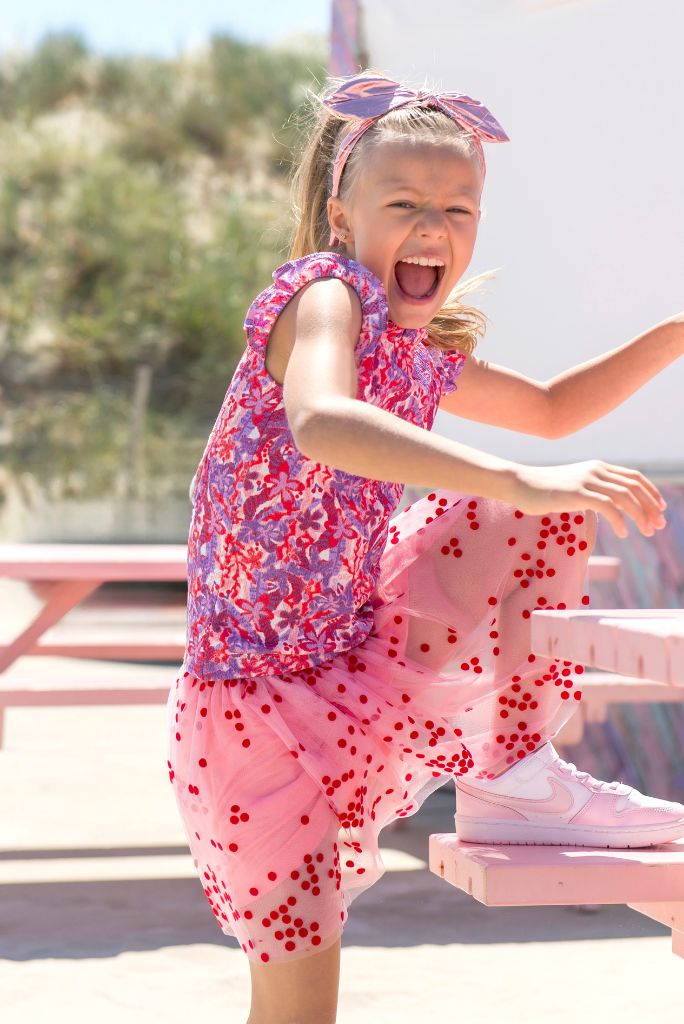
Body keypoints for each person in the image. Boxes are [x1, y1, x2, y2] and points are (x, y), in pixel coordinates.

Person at [166, 69, 684, 1023]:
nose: (433, 227)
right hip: (250, 718)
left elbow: (555, 409)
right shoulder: (323, 297)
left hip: (349, 667)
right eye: (403, 203)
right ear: (340, 214)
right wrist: (518, 475)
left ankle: (512, 777)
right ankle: (508, 778)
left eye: (458, 206)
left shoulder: (418, 351)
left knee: (547, 505)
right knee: (296, 1014)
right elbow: (322, 418)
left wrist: (677, 331)